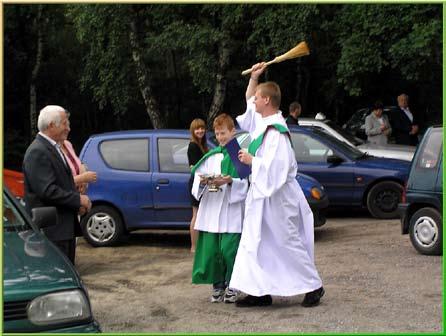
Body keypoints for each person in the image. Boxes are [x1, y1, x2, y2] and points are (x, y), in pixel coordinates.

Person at [229, 62, 324, 308]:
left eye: (259, 98)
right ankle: (258, 292)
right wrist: (254, 77)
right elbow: (249, 102)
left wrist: (252, 161)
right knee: (254, 243)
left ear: (268, 101)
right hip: (261, 195)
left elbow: (279, 169)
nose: (254, 101)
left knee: (286, 241)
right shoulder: (261, 123)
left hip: (277, 197)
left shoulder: (277, 131)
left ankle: (313, 286)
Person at [23, 105, 92, 264]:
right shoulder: (38, 151)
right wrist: (78, 200)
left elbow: (63, 184)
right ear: (51, 125)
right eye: (65, 123)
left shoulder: (53, 148)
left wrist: (77, 205)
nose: (68, 128)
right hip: (51, 232)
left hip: (61, 230)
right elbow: (48, 191)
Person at [191, 113, 248, 303]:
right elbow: (195, 183)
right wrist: (206, 182)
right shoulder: (212, 156)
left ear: (233, 132)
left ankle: (233, 284)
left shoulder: (240, 155)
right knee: (213, 252)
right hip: (212, 211)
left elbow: (248, 184)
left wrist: (231, 181)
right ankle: (218, 285)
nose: (221, 137)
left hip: (231, 212)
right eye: (217, 134)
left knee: (229, 250)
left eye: (223, 133)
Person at [58, 111, 97, 194]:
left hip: (76, 196)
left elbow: (77, 163)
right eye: (65, 125)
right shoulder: (52, 150)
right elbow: (59, 182)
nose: (68, 129)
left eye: (68, 125)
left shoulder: (68, 144)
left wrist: (82, 168)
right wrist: (82, 178)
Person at [187, 118, 209, 253]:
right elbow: (194, 168)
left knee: (200, 214)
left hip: (202, 183)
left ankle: (198, 245)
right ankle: (194, 246)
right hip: (197, 183)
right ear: (193, 131)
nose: (200, 130)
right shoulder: (193, 146)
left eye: (202, 128)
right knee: (196, 215)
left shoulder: (203, 144)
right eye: (197, 129)